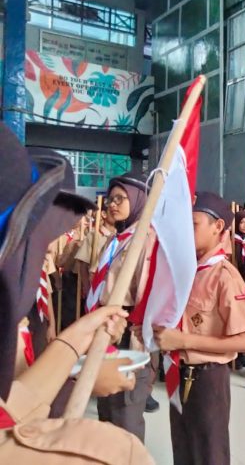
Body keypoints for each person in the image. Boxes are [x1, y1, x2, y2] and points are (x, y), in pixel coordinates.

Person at [0, 123, 153, 463]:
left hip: (124, 328)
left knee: (125, 412)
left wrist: (76, 339)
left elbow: (11, 406)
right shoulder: (114, 456)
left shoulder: (145, 243)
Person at [148, 192, 245, 465]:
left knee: (209, 452)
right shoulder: (186, 273)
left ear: (217, 227)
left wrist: (183, 340)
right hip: (178, 372)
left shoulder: (225, 277)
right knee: (183, 447)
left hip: (208, 378)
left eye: (194, 224)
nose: (187, 231)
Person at [90, 173, 156, 440]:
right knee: (106, 410)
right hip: (106, 330)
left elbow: (145, 293)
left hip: (127, 335)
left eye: (120, 198)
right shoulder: (116, 239)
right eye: (110, 199)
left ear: (139, 200)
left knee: (124, 415)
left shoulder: (145, 240)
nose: (112, 205)